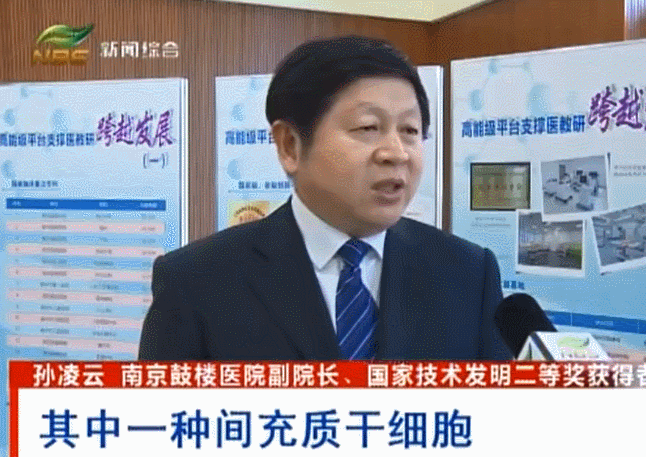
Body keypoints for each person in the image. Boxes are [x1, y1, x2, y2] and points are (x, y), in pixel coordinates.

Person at [139, 36, 511, 361]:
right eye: (368, 127)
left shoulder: (467, 273)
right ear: (290, 145)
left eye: (410, 130)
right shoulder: (197, 282)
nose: (396, 153)